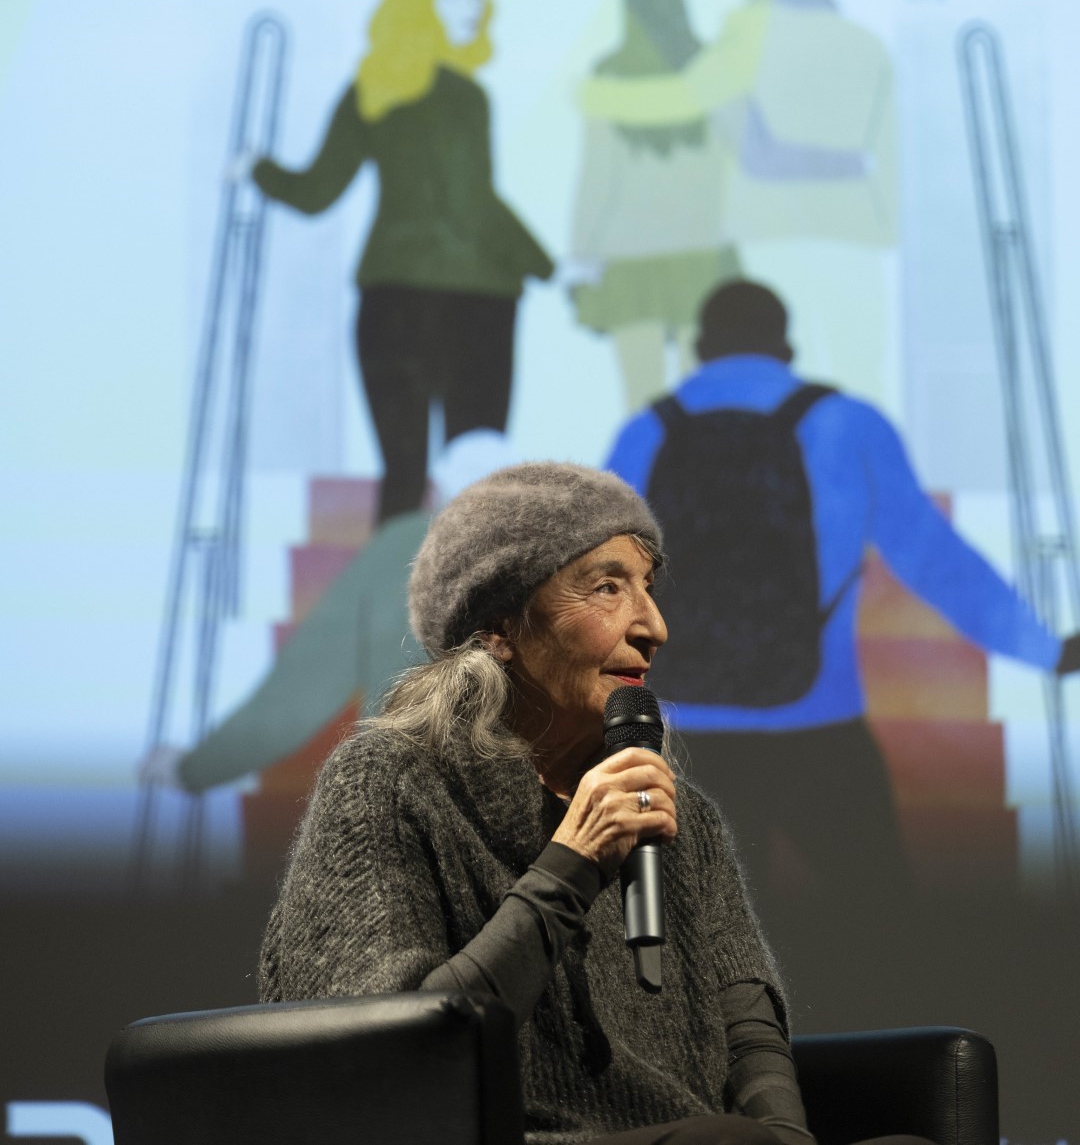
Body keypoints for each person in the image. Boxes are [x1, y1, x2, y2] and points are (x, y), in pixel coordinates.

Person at [260, 462, 931, 1145]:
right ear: (498, 628)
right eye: (608, 587)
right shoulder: (390, 779)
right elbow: (388, 1059)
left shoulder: (680, 815)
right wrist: (572, 862)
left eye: (649, 588)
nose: (654, 627)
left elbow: (747, 1029)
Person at [606, 279, 1080, 921]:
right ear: (786, 345)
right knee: (885, 931)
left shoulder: (644, 434)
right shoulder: (847, 425)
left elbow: (603, 586)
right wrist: (1046, 651)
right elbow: (938, 563)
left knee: (707, 942)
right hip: (818, 726)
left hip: (688, 738)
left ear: (700, 347)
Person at [253, 0, 553, 521]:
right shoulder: (465, 95)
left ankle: (391, 584)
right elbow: (472, 206)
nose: (473, 6)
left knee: (402, 479)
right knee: (478, 489)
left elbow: (315, 193)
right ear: (419, 1)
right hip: (476, 306)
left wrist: (256, 169)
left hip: (390, 303)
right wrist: (550, 267)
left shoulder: (369, 88)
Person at [579, 0, 898, 412]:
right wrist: (860, 181)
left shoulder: (733, 50)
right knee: (860, 375)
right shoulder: (866, 43)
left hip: (769, 234)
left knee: (772, 390)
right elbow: (892, 151)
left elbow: (746, 150)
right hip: (853, 229)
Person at [137, 430, 516, 796]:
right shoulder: (538, 571)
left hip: (403, 795)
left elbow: (304, 684)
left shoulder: (401, 549)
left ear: (436, 490)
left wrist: (196, 769)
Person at [568, 0, 741, 414]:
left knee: (640, 402)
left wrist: (580, 256)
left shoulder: (609, 75)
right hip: (701, 249)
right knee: (700, 398)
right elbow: (736, 163)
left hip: (630, 256)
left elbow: (597, 179)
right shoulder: (713, 69)